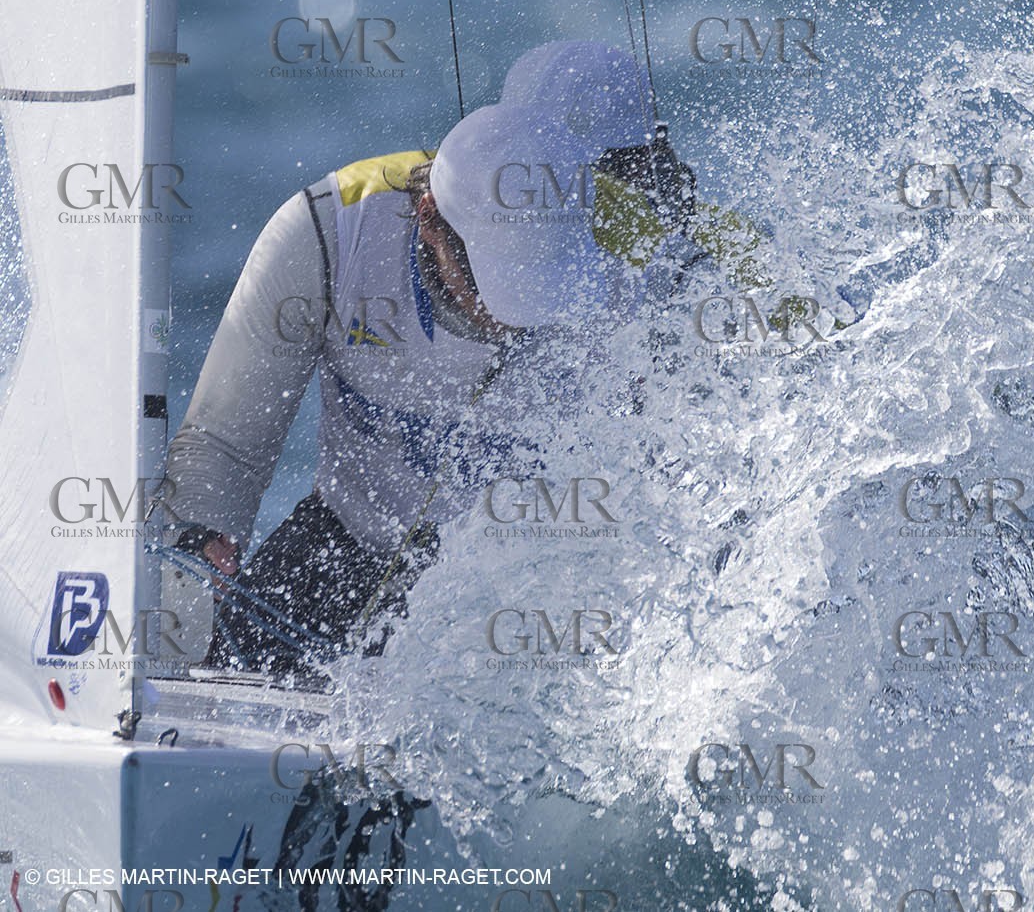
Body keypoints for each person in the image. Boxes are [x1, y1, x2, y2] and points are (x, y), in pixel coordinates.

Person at [161, 41, 779, 680]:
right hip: (346, 543)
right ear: (429, 217)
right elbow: (224, 443)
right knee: (204, 664)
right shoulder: (331, 231)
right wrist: (197, 564)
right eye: (488, 278)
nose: (507, 315)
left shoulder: (649, 266)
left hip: (518, 592)